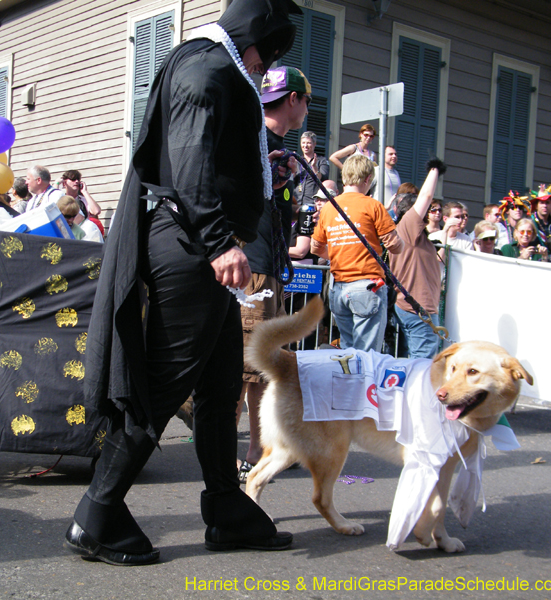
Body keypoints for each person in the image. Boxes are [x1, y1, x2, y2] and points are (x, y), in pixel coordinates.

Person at [66, 0, 301, 567]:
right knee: (164, 384)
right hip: (193, 247)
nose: (261, 69)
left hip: (198, 247)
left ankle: (226, 507)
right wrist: (221, 241)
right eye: (264, 56)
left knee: (221, 385)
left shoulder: (213, 66)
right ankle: (96, 512)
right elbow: (190, 155)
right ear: (252, 43)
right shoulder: (207, 66)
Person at [237, 64, 311, 481]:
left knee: (261, 367)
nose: (307, 110)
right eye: (306, 101)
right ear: (294, 100)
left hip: (271, 266)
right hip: (254, 268)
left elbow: (283, 212)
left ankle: (259, 445)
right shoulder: (256, 142)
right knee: (253, 367)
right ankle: (251, 450)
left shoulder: (283, 149)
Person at [311, 154, 403, 352]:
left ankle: (348, 382)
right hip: (367, 286)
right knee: (366, 355)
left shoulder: (328, 208)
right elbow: (395, 245)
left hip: (338, 288)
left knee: (348, 351)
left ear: (344, 178)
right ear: (369, 179)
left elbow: (315, 248)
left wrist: (340, 252)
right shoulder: (373, 205)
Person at [388, 160, 444, 359]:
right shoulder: (408, 227)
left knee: (412, 361)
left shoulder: (413, 236)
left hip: (416, 307)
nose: (429, 214)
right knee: (422, 365)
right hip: (417, 308)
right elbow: (427, 196)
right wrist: (435, 168)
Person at [59, 169, 104, 236]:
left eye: (78, 179)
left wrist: (85, 192)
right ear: (64, 183)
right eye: (73, 179)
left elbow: (96, 211)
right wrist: (57, 183)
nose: (76, 181)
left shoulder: (83, 200)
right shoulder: (61, 198)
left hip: (83, 234)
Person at [293, 131, 329, 205]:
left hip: (312, 203)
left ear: (314, 144)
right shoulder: (297, 160)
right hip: (296, 202)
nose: (305, 145)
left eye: (308, 143)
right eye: (303, 143)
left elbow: (322, 180)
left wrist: (314, 167)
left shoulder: (322, 161)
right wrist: (293, 167)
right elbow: (291, 180)